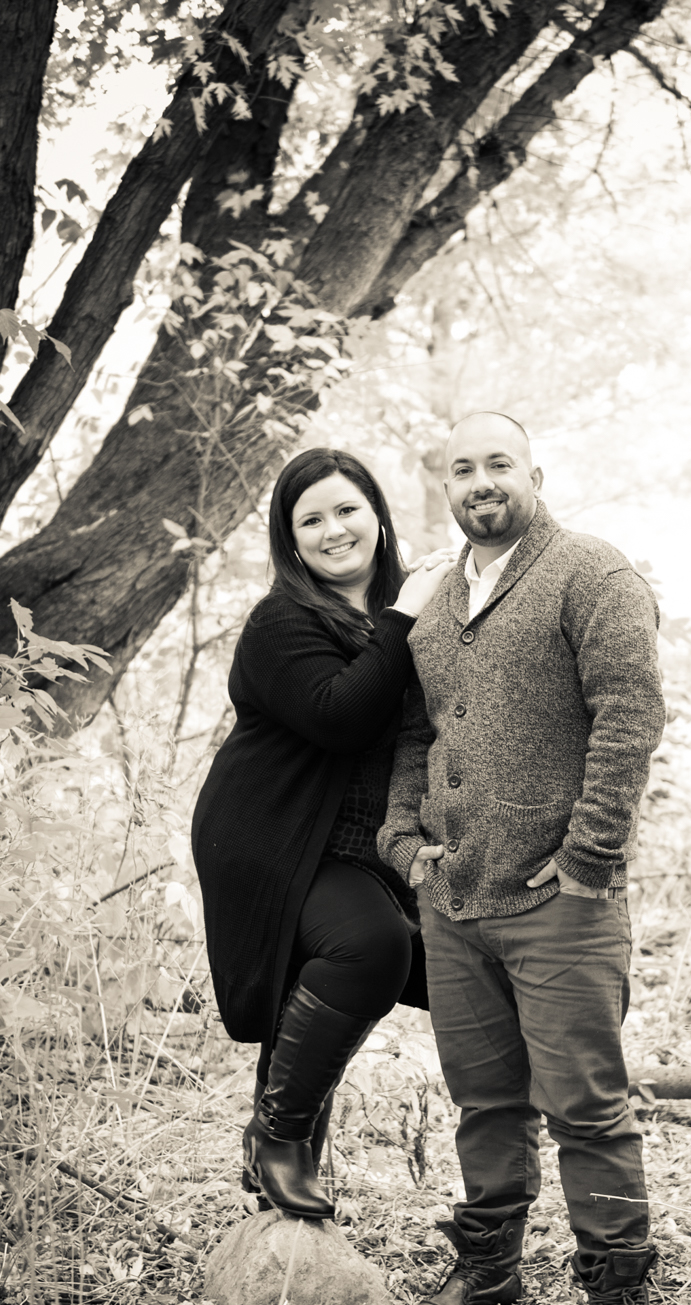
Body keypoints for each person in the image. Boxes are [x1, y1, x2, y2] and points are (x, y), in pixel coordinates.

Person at [377, 412, 667, 1305]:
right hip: (456, 901)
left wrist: (588, 856)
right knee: (486, 1102)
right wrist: (399, 833)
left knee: (586, 1106)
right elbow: (417, 732)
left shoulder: (591, 572)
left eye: (498, 463)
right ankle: (490, 1268)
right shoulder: (435, 597)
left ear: (535, 473)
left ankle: (619, 1290)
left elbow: (629, 713)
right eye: (461, 469)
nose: (479, 481)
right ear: (446, 488)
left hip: (560, 902)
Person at [192, 448, 454, 1220]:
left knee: (455, 963)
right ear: (290, 538)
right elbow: (342, 718)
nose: (334, 530)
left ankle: (286, 1150)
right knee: (371, 944)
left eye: (347, 510)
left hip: (366, 846)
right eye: (312, 520)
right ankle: (279, 1137)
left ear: (377, 513)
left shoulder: (415, 607)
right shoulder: (284, 621)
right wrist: (404, 614)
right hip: (271, 838)